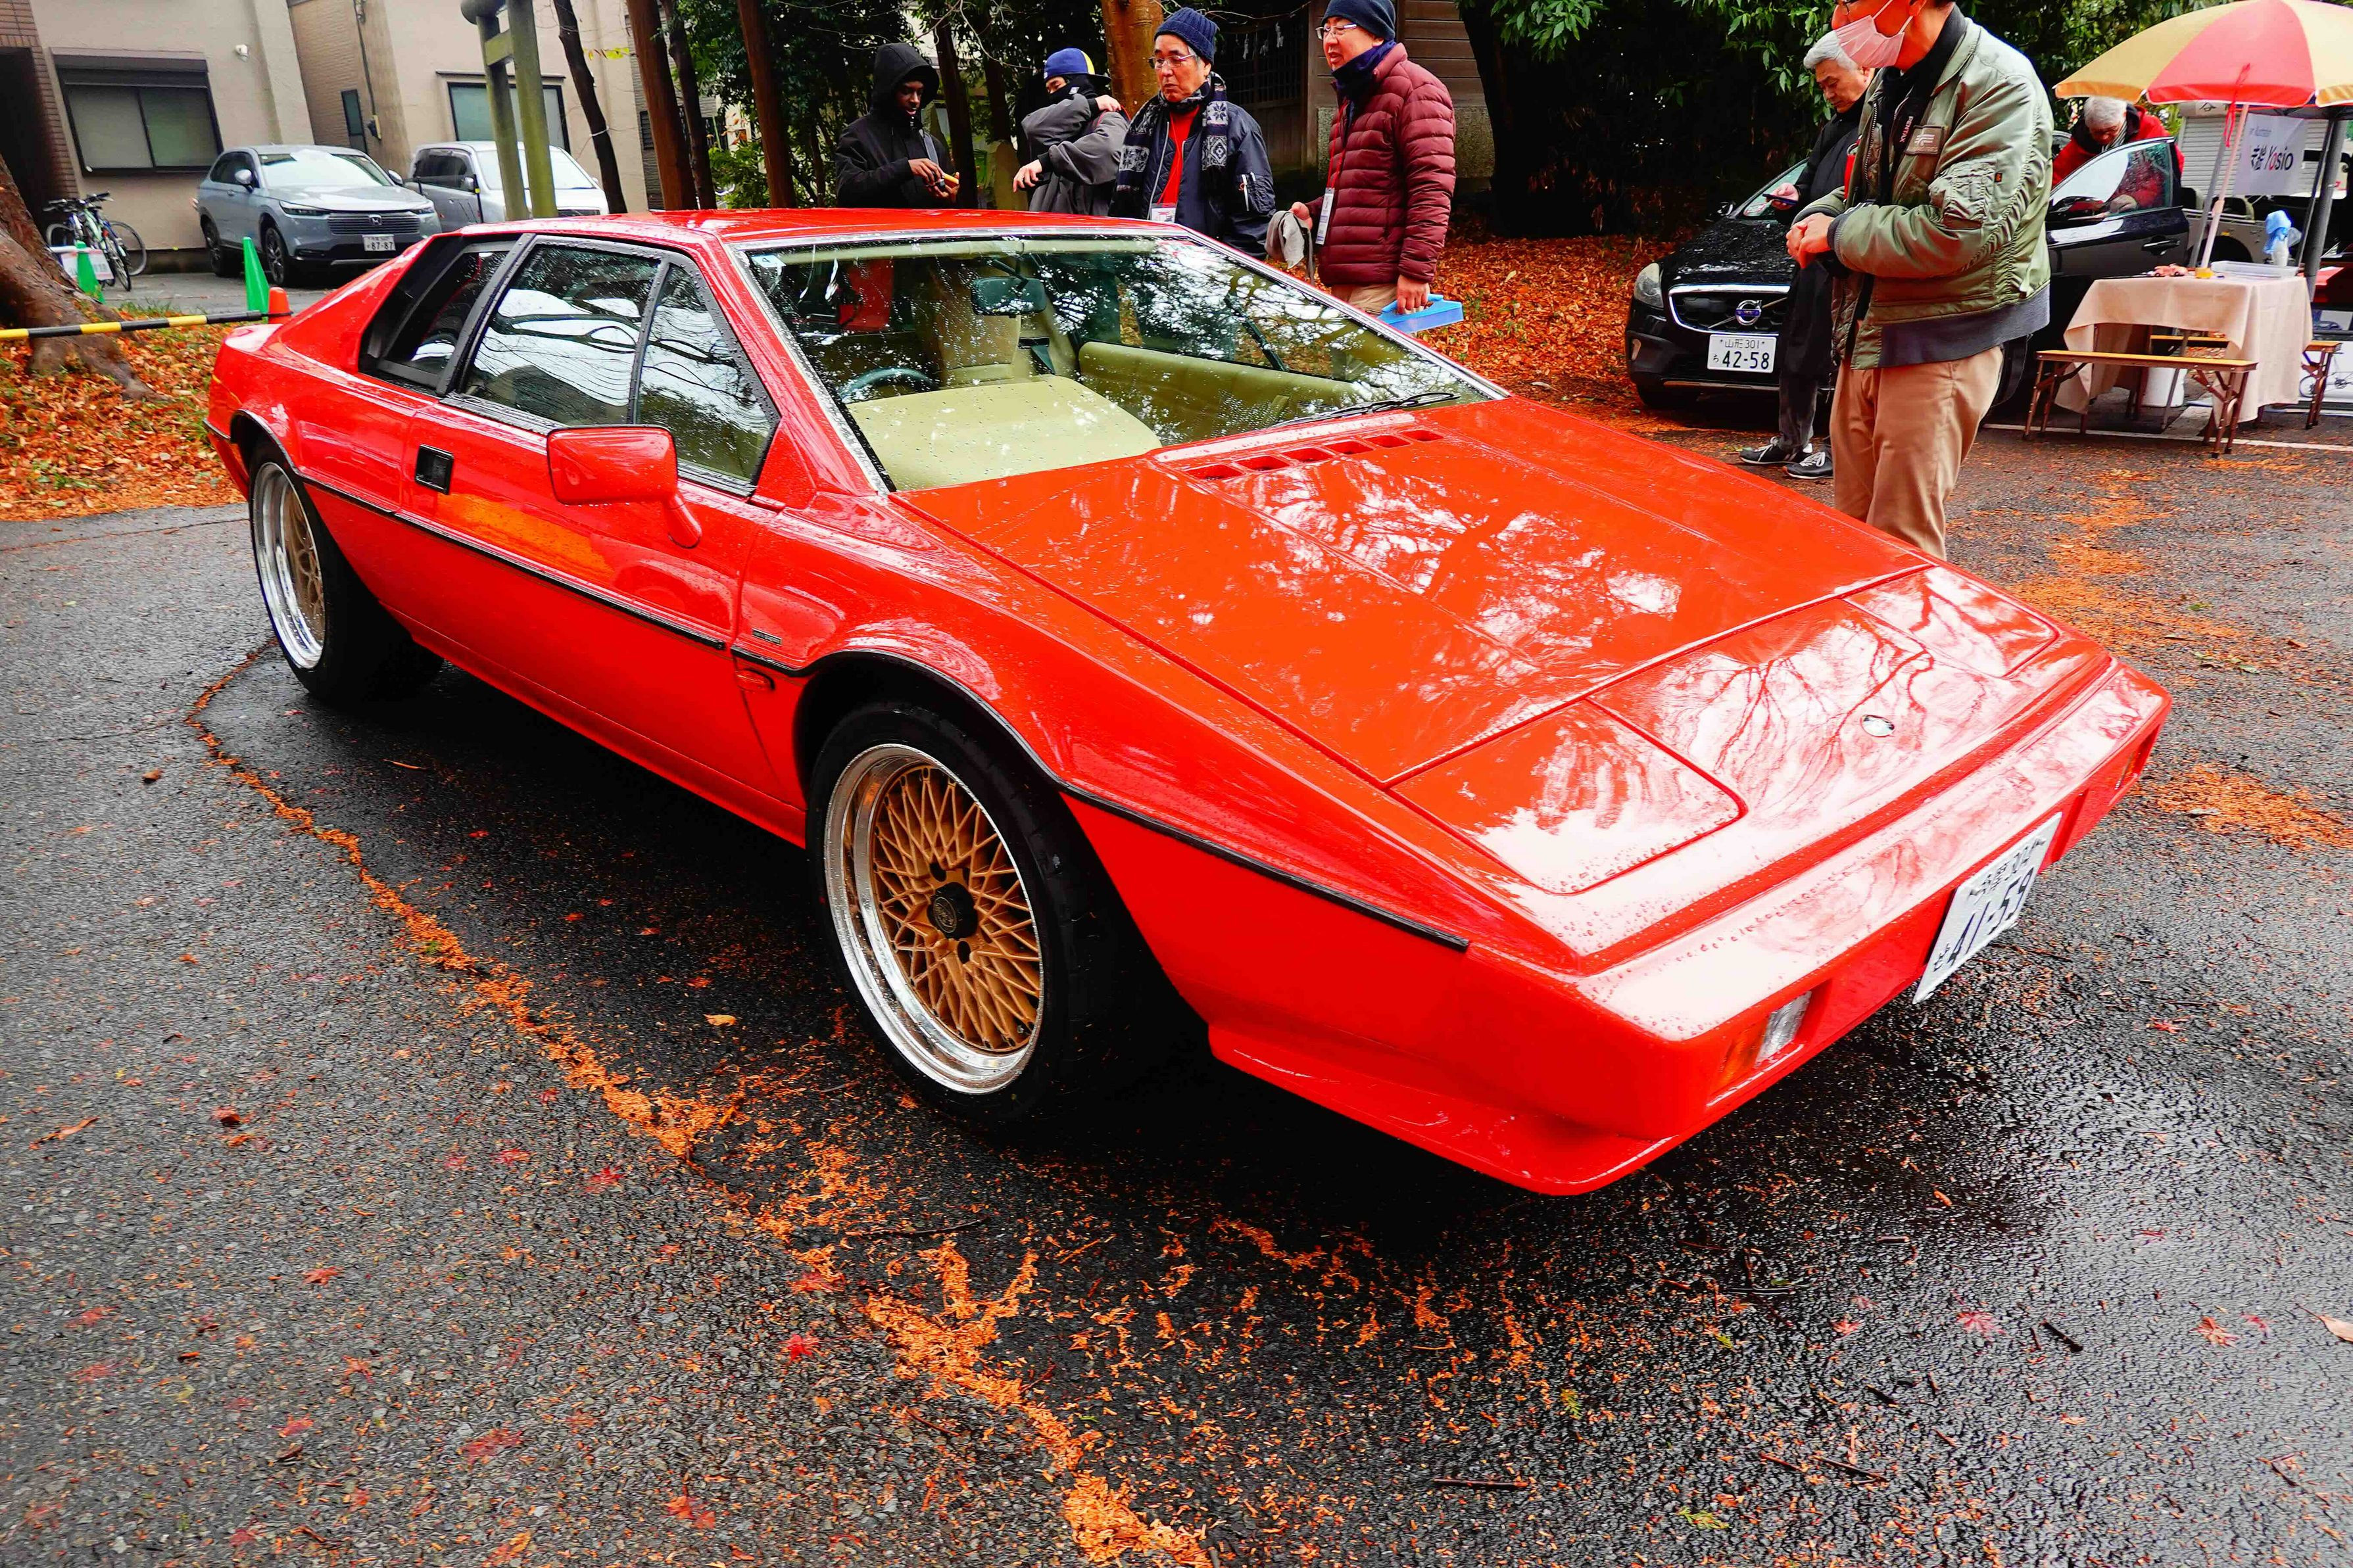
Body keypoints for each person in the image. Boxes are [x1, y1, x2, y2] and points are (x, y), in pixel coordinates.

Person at [1787, 0, 2052, 559]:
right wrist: (1821, 213)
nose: (1838, 18)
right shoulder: (1891, 80)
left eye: (1849, 2)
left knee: (1900, 547)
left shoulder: (1999, 83)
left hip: (1941, 338)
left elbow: (1957, 232)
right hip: (1867, 331)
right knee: (1852, 535)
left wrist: (1838, 234)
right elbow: (1872, 191)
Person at [1739, 35, 1871, 481]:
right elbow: (1810, 185)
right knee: (1798, 350)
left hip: (1852, 258)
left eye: (1833, 82)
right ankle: (1791, 440)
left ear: (1866, 70)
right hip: (1811, 259)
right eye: (1822, 87)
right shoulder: (1834, 127)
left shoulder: (1882, 124)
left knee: (1841, 356)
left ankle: (1836, 449)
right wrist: (1790, 202)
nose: (1828, 93)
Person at [1282, 0, 1456, 316]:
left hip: (1384, 283)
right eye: (1326, 30)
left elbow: (1431, 189)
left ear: (1377, 35)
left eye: (1341, 28)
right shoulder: (1352, 98)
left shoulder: (1417, 90)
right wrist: (1313, 213)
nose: (1330, 40)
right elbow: (1360, 190)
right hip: (1344, 280)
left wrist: (1416, 272)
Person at [1111, 9, 1277, 255]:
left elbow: (1253, 225)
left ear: (1206, 64)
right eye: (1159, 61)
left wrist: (1218, 273)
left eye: (1176, 59)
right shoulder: (1145, 127)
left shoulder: (1237, 127)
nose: (1165, 71)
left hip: (1206, 270)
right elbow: (1124, 210)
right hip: (1148, 263)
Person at [835, 43, 957, 208]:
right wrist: (905, 168)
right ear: (888, 91)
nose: (915, 100)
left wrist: (952, 199)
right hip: (879, 225)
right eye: (906, 91)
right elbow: (847, 191)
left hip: (925, 225)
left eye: (920, 92)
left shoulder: (932, 145)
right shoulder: (857, 135)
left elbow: (945, 205)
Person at [1015, 48, 1130, 216]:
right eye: (1049, 90)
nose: (1053, 94)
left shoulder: (1109, 119)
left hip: (1088, 230)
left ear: (1078, 82)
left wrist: (1049, 161)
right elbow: (1033, 127)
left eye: (1056, 86)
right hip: (1051, 229)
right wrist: (1091, 105)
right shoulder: (1058, 128)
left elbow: (1110, 150)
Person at [2052, 96, 2175, 184]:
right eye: (2097, 132)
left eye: (2111, 130)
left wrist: (2138, 199)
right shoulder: (2080, 141)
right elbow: (2056, 180)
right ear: (2087, 124)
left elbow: (2168, 172)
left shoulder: (2149, 129)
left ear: (2124, 116)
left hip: (2143, 207)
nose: (2104, 137)